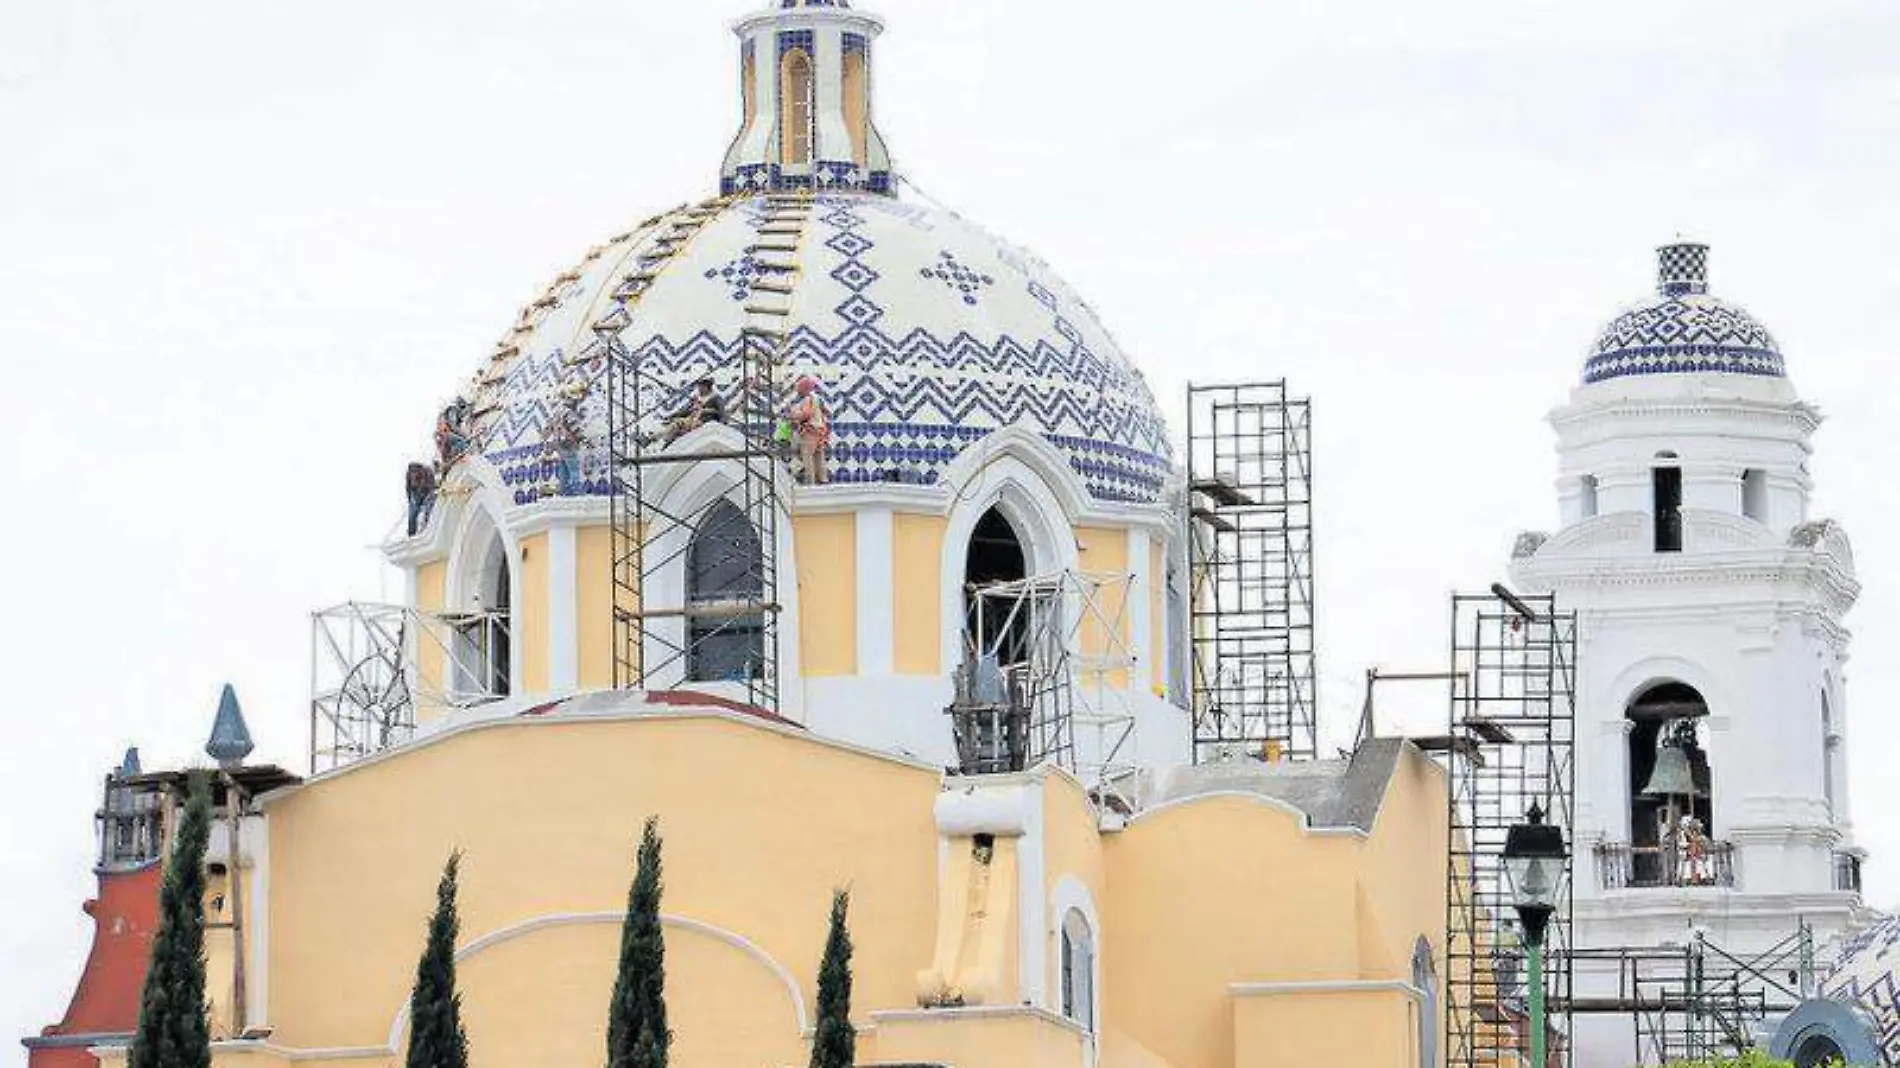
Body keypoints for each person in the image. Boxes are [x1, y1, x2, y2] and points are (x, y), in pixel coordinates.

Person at [656, 377, 726, 446]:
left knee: (678, 424)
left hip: (703, 421)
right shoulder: (697, 397)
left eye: (701, 386)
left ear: (706, 387)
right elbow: (689, 411)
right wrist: (675, 415)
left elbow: (721, 412)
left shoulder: (715, 398)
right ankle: (664, 440)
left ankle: (659, 438)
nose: (699, 389)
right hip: (691, 419)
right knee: (676, 424)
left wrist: (719, 424)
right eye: (699, 386)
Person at [787, 375, 831, 484]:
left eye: (799, 389)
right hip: (820, 431)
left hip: (810, 432)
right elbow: (826, 412)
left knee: (808, 457)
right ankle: (823, 479)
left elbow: (806, 414)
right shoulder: (818, 398)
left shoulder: (808, 399)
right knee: (819, 457)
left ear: (804, 388)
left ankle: (810, 481)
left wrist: (793, 415)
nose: (798, 392)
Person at [405, 463, 437, 537]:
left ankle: (425, 529)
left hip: (428, 491)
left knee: (428, 511)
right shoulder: (409, 474)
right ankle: (411, 533)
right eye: (412, 472)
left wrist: (427, 498)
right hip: (416, 492)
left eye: (415, 472)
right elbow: (408, 487)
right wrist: (410, 500)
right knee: (412, 513)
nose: (413, 473)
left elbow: (432, 486)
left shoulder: (427, 471)